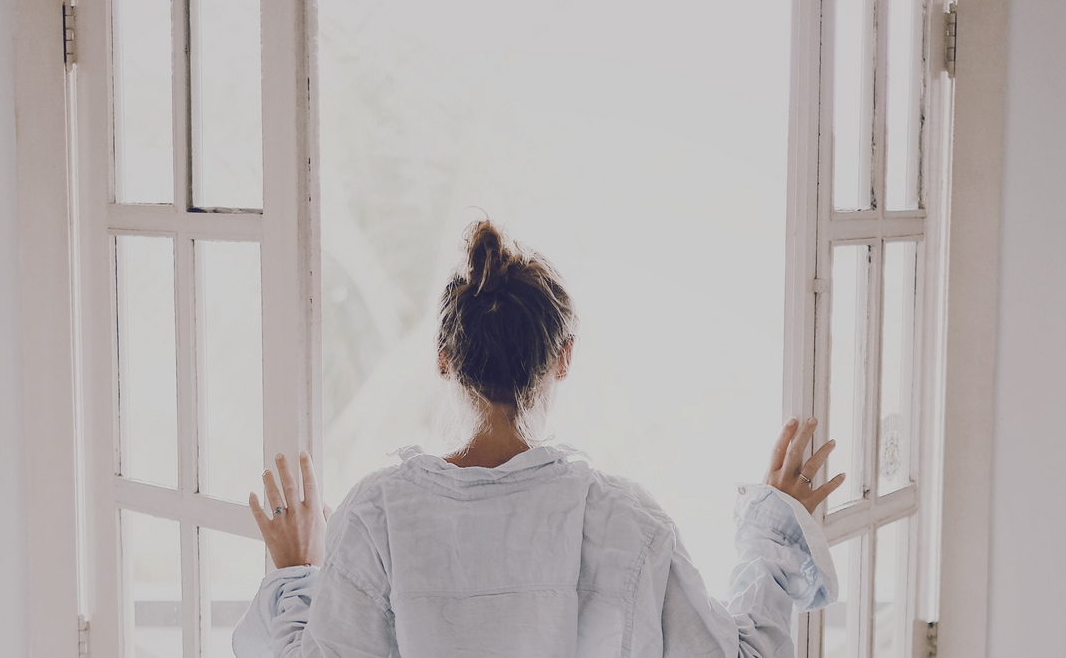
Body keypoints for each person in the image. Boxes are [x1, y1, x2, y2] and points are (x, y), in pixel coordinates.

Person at [233, 220, 845, 658]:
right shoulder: (623, 523)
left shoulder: (377, 517)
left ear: (445, 359)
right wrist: (777, 533)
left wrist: (294, 573)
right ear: (565, 358)